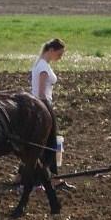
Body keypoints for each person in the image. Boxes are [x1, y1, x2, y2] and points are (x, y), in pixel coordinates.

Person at [29, 38, 75, 191]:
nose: (60, 57)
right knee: (50, 144)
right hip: (43, 105)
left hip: (41, 105)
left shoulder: (42, 64)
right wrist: (46, 110)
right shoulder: (42, 66)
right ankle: (50, 178)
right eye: (60, 54)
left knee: (47, 143)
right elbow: (41, 92)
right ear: (52, 50)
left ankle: (44, 176)